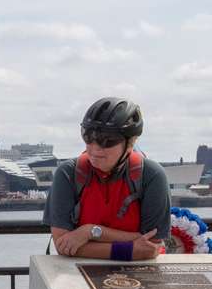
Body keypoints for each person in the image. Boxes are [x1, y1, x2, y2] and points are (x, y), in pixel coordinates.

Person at [46, 97, 170, 260]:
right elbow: (63, 245)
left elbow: (151, 245)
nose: (95, 147)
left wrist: (91, 231)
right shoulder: (68, 174)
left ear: (130, 143)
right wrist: (130, 250)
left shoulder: (151, 175)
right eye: (88, 136)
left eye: (108, 140)